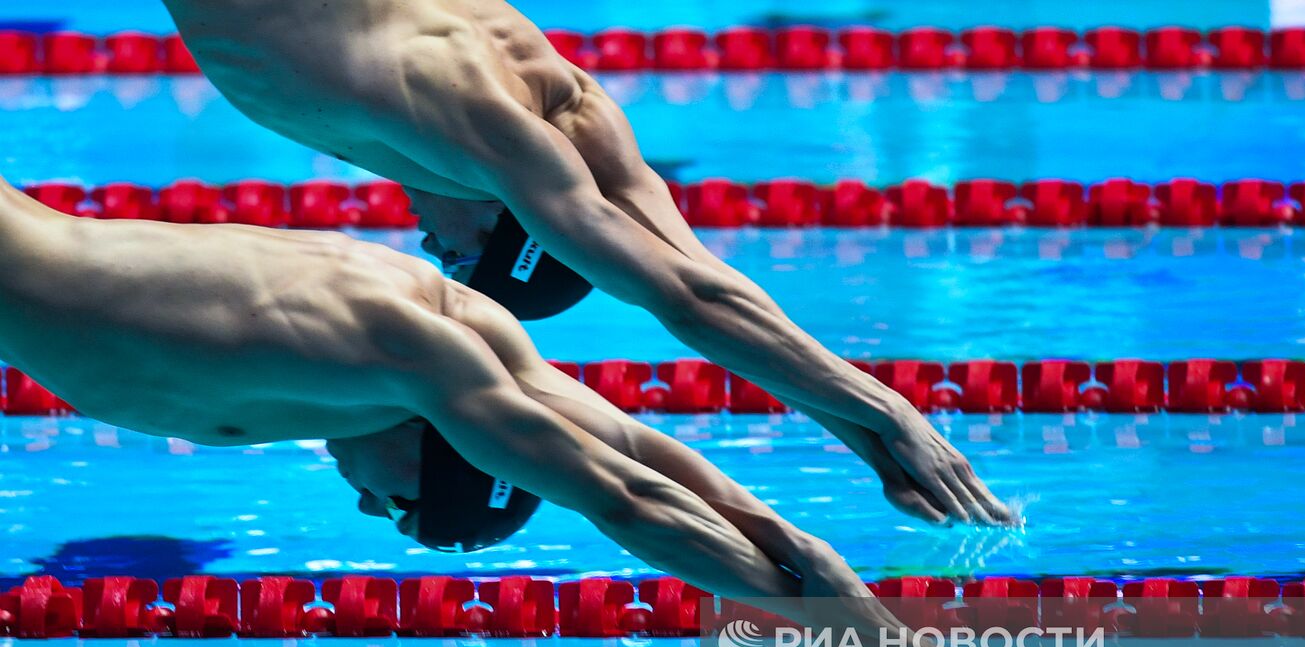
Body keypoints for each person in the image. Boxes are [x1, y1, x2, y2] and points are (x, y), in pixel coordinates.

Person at [0, 177, 960, 647]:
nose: (369, 505)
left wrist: (795, 544)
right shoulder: (402, 354)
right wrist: (838, 623)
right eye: (402, 506)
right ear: (450, 442)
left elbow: (628, 444)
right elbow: (619, 495)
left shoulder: (464, 330)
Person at [158, 0, 1014, 527]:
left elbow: (699, 272)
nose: (424, 241)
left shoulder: (561, 94)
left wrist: (863, 436)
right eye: (453, 250)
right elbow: (684, 294)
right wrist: (890, 413)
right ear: (510, 214)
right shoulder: (475, 120)